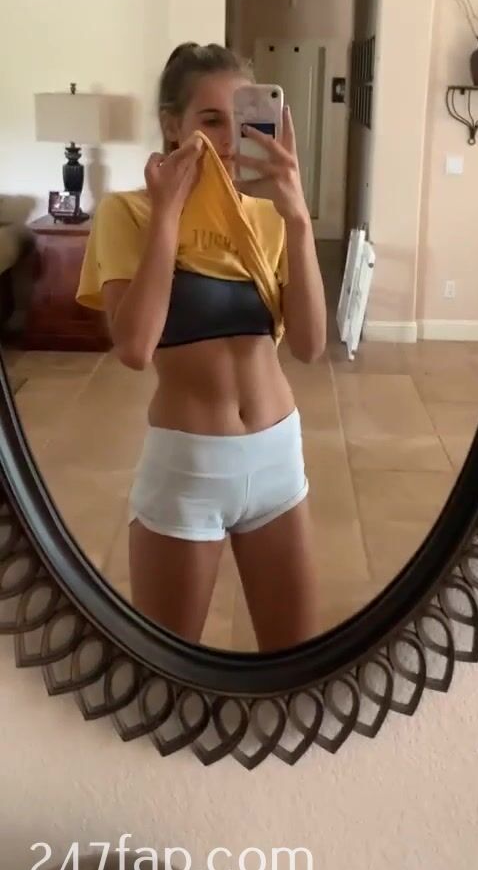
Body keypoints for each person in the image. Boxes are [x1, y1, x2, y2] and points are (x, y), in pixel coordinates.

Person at [76, 43, 326, 651]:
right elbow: (135, 347)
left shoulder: (267, 216)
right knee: (169, 667)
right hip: (188, 470)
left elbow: (311, 345)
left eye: (239, 120)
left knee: (294, 663)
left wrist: (298, 218)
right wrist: (167, 215)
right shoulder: (128, 213)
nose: (227, 138)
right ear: (172, 125)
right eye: (209, 119)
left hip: (277, 459)